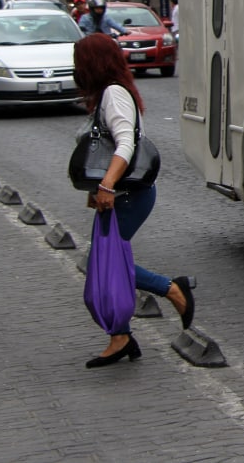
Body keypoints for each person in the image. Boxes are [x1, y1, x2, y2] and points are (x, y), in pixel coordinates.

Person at [73, 33, 196, 368]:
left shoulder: (114, 94)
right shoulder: (107, 95)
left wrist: (108, 185)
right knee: (107, 262)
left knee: (108, 263)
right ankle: (121, 336)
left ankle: (172, 291)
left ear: (92, 63)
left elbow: (125, 143)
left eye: (79, 61)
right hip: (116, 196)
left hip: (128, 195)